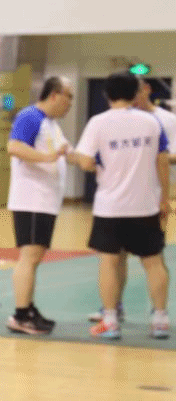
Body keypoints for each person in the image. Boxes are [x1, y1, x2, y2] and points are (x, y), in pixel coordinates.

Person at [72, 71, 170, 341]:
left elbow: (85, 161)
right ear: (136, 93)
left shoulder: (98, 123)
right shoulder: (151, 122)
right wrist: (165, 198)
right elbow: (162, 160)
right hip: (145, 205)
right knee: (154, 262)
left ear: (107, 94)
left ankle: (111, 320)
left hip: (110, 207)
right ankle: (160, 320)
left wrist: (87, 161)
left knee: (110, 262)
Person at [4, 77, 76, 335]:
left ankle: (29, 308)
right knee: (30, 256)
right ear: (54, 95)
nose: (71, 103)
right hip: (32, 200)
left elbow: (69, 155)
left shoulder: (51, 124)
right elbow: (14, 147)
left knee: (35, 257)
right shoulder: (30, 116)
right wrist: (48, 157)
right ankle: (21, 315)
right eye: (69, 96)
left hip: (46, 202)